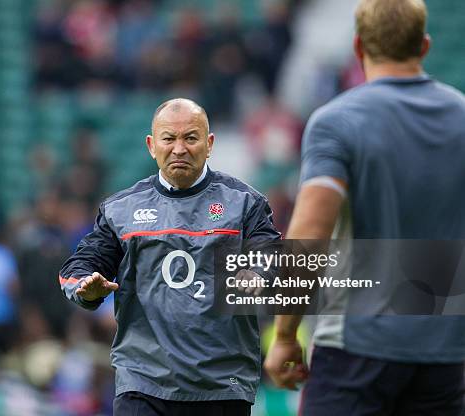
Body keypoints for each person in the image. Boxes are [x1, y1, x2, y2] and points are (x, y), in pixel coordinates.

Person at [264, 0, 465, 414]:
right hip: (445, 354)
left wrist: (286, 333)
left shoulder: (337, 121)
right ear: (424, 46)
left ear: (358, 47)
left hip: (355, 348)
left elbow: (310, 234)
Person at [59, 98, 281, 415]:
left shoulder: (245, 203)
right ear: (152, 145)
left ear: (209, 144)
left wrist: (258, 273)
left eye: (191, 137)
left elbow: (270, 253)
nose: (179, 149)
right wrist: (86, 289)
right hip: (144, 385)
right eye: (169, 138)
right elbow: (80, 265)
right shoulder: (121, 209)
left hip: (221, 386)